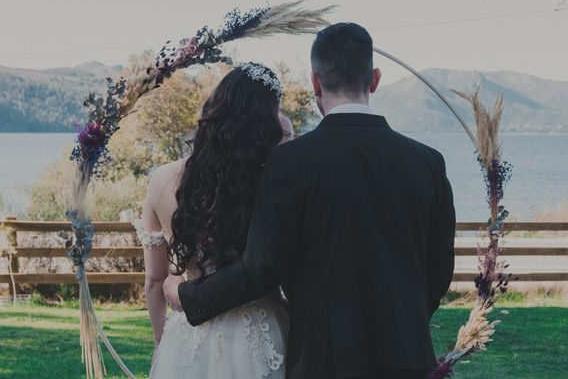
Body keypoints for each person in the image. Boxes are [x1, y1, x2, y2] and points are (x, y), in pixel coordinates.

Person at [164, 23, 456, 379]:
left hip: (324, 361)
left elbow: (262, 267)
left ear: (316, 82)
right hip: (408, 357)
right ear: (375, 79)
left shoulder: (289, 163)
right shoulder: (428, 162)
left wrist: (189, 298)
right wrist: (401, 322)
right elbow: (439, 270)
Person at [137, 62, 290, 378]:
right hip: (262, 330)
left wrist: (161, 345)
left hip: (189, 334)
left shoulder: (162, 179)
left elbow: (154, 281)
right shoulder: (271, 181)